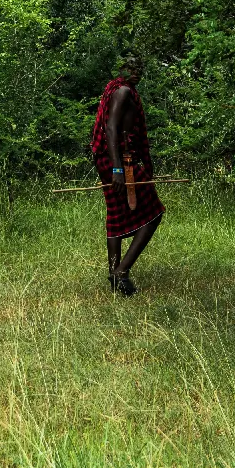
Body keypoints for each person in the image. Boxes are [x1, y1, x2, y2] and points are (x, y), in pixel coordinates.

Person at [93, 63, 164, 296]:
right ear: (120, 70)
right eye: (130, 68)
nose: (136, 72)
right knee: (154, 213)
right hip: (118, 161)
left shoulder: (118, 89)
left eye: (139, 68)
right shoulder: (122, 91)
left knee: (116, 214)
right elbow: (111, 128)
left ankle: (115, 274)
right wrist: (117, 170)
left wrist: (146, 162)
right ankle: (121, 272)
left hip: (114, 159)